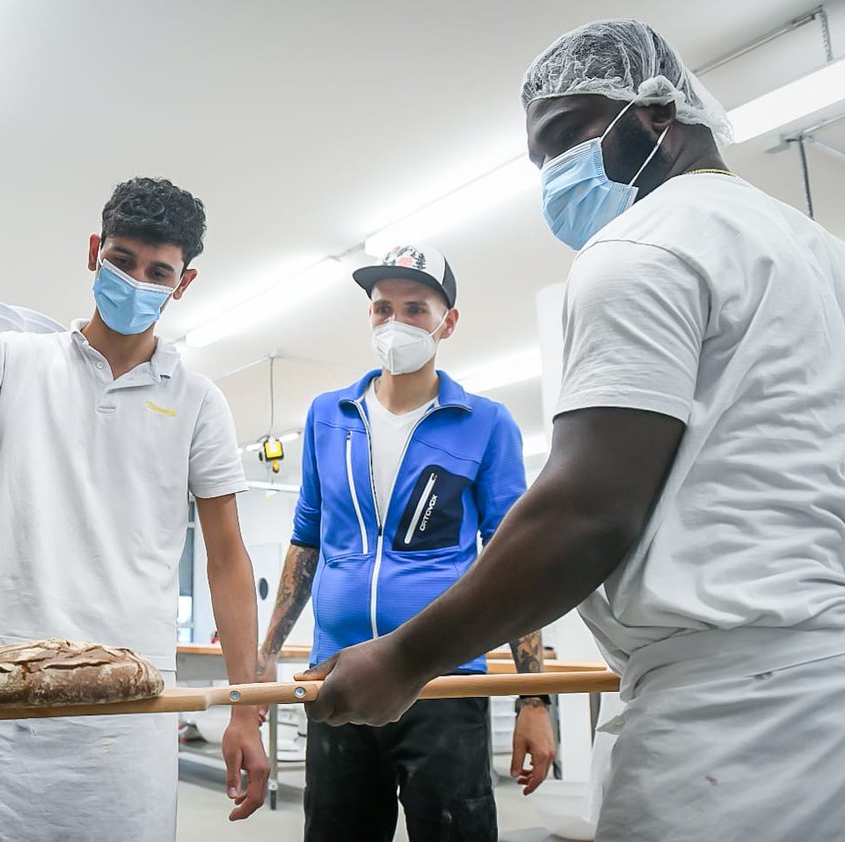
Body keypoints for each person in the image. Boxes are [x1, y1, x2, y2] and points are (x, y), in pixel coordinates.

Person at [299, 19, 845, 842]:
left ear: (658, 114)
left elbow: (584, 514)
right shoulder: (820, 253)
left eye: (565, 138)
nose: (555, 175)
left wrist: (408, 659)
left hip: (727, 721)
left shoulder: (640, 247)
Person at [0, 177, 268, 841]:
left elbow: (227, 560)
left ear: (182, 283)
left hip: (130, 695)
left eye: (157, 271)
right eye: (121, 261)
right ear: (93, 252)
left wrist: (245, 709)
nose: (136, 280)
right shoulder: (18, 359)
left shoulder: (198, 401)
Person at [258, 244, 555, 841]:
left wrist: (534, 701)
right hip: (337, 674)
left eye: (416, 309)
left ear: (448, 322)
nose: (396, 323)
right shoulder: (327, 415)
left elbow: (513, 562)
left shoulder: (486, 422)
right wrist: (265, 655)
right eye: (382, 308)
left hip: (442, 676)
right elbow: (306, 541)